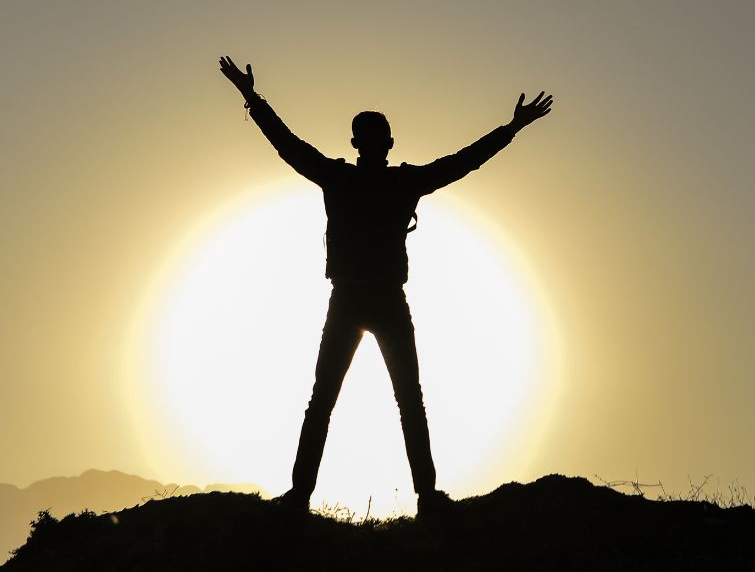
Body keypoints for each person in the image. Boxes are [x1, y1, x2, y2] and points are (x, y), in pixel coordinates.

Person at [218, 55, 552, 517]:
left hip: (353, 300)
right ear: (387, 144)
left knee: (328, 401)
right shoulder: (401, 182)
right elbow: (463, 163)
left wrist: (252, 98)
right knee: (405, 401)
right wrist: (512, 128)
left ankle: (302, 496)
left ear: (356, 143)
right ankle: (425, 498)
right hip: (381, 301)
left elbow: (287, 145)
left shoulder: (340, 177)